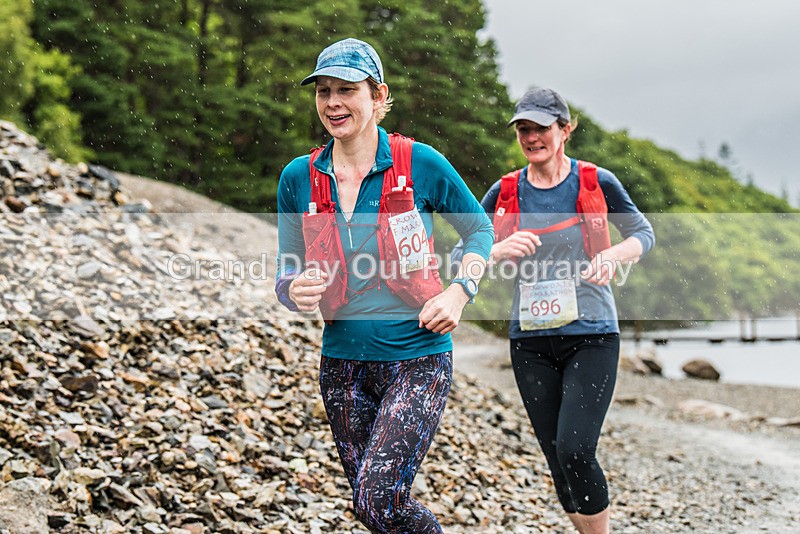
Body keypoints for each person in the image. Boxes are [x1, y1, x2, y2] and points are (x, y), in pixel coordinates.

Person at [275, 38, 493, 533]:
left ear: (377, 97)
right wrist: (294, 289)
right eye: (323, 91)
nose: (333, 103)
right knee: (375, 510)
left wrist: (460, 291)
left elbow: (480, 229)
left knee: (378, 502)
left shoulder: (421, 164)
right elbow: (286, 269)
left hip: (418, 358)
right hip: (342, 368)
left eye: (346, 90)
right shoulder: (297, 178)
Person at [453, 87, 655, 534]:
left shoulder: (595, 181)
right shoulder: (505, 190)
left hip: (592, 334)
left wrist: (614, 255)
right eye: (524, 129)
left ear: (565, 130)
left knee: (576, 448)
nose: (532, 137)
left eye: (541, 127)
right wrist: (497, 249)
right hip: (530, 340)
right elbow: (460, 253)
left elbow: (643, 232)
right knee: (557, 458)